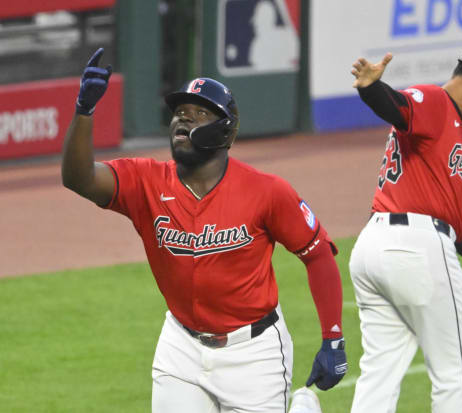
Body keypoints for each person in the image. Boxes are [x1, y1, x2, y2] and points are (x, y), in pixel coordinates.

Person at [61, 48, 347, 412]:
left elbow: (317, 253)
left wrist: (332, 338)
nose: (183, 120)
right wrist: (84, 111)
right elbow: (78, 178)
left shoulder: (267, 191)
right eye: (179, 113)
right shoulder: (145, 180)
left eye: (199, 114)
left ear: (224, 130)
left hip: (254, 353)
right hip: (181, 347)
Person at [347, 45, 462, 413]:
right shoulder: (435, 101)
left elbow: (445, 212)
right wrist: (372, 89)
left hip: (375, 246)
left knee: (379, 372)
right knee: (455, 372)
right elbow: (397, 107)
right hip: (415, 249)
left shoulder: (446, 124)